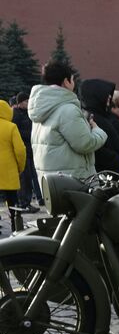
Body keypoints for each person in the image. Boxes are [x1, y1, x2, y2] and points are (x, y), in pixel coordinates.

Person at [30, 60, 108, 194]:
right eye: (72, 79)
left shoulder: (40, 109)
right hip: (74, 185)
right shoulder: (68, 110)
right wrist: (97, 131)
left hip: (52, 184)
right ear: (66, 81)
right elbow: (85, 144)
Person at [80, 79, 119, 175]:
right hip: (108, 175)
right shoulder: (92, 119)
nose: (109, 99)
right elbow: (100, 152)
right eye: (106, 96)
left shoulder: (101, 117)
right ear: (97, 96)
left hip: (112, 173)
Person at [0, 99, 28, 233]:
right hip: (8, 171)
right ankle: (14, 225)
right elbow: (20, 150)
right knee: (12, 200)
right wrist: (20, 167)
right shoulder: (11, 127)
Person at [10, 91, 41, 210]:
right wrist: (31, 134)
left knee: (31, 177)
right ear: (20, 103)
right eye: (26, 101)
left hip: (30, 150)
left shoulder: (27, 113)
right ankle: (24, 203)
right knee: (25, 179)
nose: (29, 103)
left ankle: (28, 202)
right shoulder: (16, 114)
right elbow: (16, 132)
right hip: (22, 151)